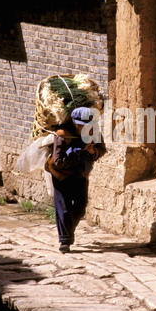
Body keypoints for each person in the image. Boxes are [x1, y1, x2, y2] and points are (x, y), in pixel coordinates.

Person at [46, 107, 106, 253]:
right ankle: (65, 241)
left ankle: (68, 230)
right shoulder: (62, 134)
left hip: (80, 174)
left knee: (81, 206)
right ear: (74, 123)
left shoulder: (94, 133)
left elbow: (102, 149)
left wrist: (93, 151)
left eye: (85, 125)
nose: (81, 128)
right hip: (61, 174)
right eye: (79, 125)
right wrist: (77, 149)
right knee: (64, 208)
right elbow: (59, 161)